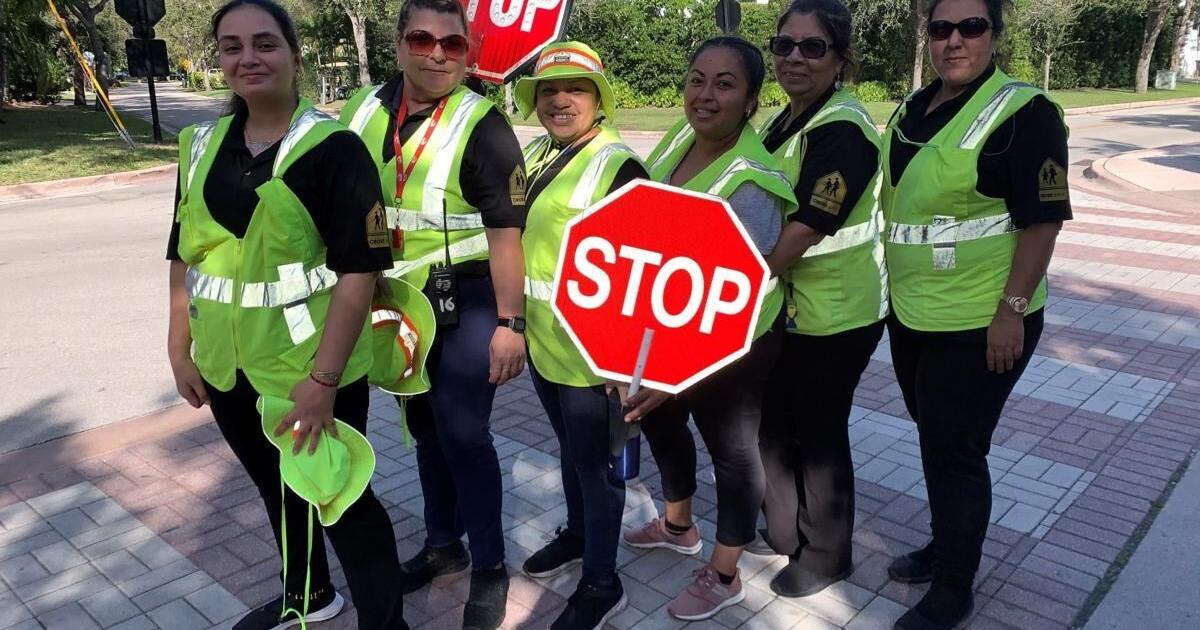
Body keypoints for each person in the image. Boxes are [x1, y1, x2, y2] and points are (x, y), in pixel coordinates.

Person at [165, 1, 408, 628]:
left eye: (265, 44)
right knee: (280, 492)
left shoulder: (335, 149)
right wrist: (179, 347)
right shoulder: (200, 146)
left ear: (295, 57)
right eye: (232, 46)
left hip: (309, 369)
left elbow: (360, 269)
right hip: (229, 366)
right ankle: (308, 594)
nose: (248, 58)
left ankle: (387, 622)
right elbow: (181, 250)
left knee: (341, 499)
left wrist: (323, 382)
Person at [881, 0, 1071, 628]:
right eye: (940, 29)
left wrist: (1011, 311)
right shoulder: (914, 107)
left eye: (971, 27)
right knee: (937, 441)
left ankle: (954, 586)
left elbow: (1041, 223)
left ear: (995, 34)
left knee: (956, 449)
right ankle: (946, 545)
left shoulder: (1026, 114)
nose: (953, 41)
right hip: (914, 315)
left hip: (985, 320)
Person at [337, 2, 528, 628]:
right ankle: (443, 546)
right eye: (423, 39)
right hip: (393, 302)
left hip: (466, 302)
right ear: (398, 43)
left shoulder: (484, 123)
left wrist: (510, 324)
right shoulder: (363, 109)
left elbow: (507, 233)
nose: (439, 54)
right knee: (422, 428)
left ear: (468, 53)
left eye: (454, 44)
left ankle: (491, 566)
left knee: (465, 434)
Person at [621, 36, 798, 622]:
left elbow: (735, 298)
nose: (705, 95)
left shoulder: (752, 180)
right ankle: (678, 526)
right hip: (669, 326)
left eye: (725, 84)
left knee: (731, 450)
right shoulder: (680, 139)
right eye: (697, 79)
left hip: (736, 338)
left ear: (750, 101)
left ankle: (724, 572)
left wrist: (670, 377)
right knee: (661, 422)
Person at [511, 41, 648, 630]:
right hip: (546, 343)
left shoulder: (618, 166)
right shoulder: (543, 153)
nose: (560, 100)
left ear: (599, 100)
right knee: (571, 453)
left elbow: (643, 270)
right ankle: (578, 535)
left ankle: (601, 579)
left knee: (598, 468)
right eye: (548, 90)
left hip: (597, 356)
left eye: (575, 89)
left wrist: (628, 364)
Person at [756, 0, 888, 599]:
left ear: (841, 60)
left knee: (818, 433)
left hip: (837, 313)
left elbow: (810, 223)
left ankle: (828, 555)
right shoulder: (784, 121)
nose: (795, 59)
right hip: (790, 307)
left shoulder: (844, 129)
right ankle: (786, 531)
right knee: (775, 423)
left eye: (813, 47)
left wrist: (750, 279)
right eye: (785, 45)